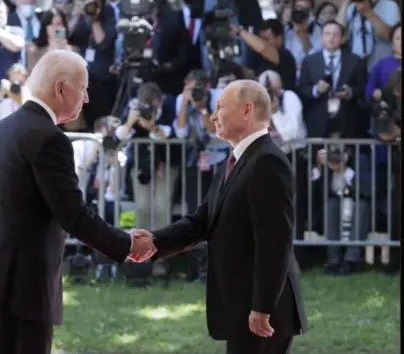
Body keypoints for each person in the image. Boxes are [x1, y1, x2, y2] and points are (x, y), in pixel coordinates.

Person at [0, 50, 156, 354]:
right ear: (62, 88)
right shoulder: (49, 138)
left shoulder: (3, 129)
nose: (87, 99)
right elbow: (74, 216)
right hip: (21, 286)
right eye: (83, 88)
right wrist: (127, 245)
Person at [132, 80, 308, 354]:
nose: (213, 116)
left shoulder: (266, 162)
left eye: (221, 107)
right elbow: (203, 221)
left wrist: (262, 307)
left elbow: (275, 243)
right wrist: (155, 242)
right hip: (242, 305)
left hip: (262, 312)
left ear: (247, 110)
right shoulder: (239, 159)